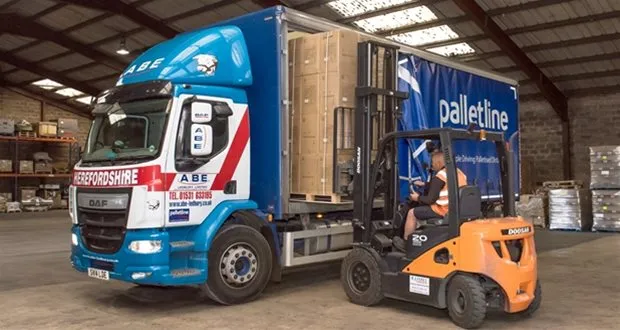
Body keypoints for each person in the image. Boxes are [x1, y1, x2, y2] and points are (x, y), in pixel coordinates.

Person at [394, 150, 467, 251]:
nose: (431, 166)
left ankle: (406, 244)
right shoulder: (457, 172)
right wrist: (425, 184)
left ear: (438, 163)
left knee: (412, 213)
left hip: (442, 210)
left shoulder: (440, 175)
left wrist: (417, 198)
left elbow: (430, 200)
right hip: (454, 209)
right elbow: (447, 185)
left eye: (432, 163)